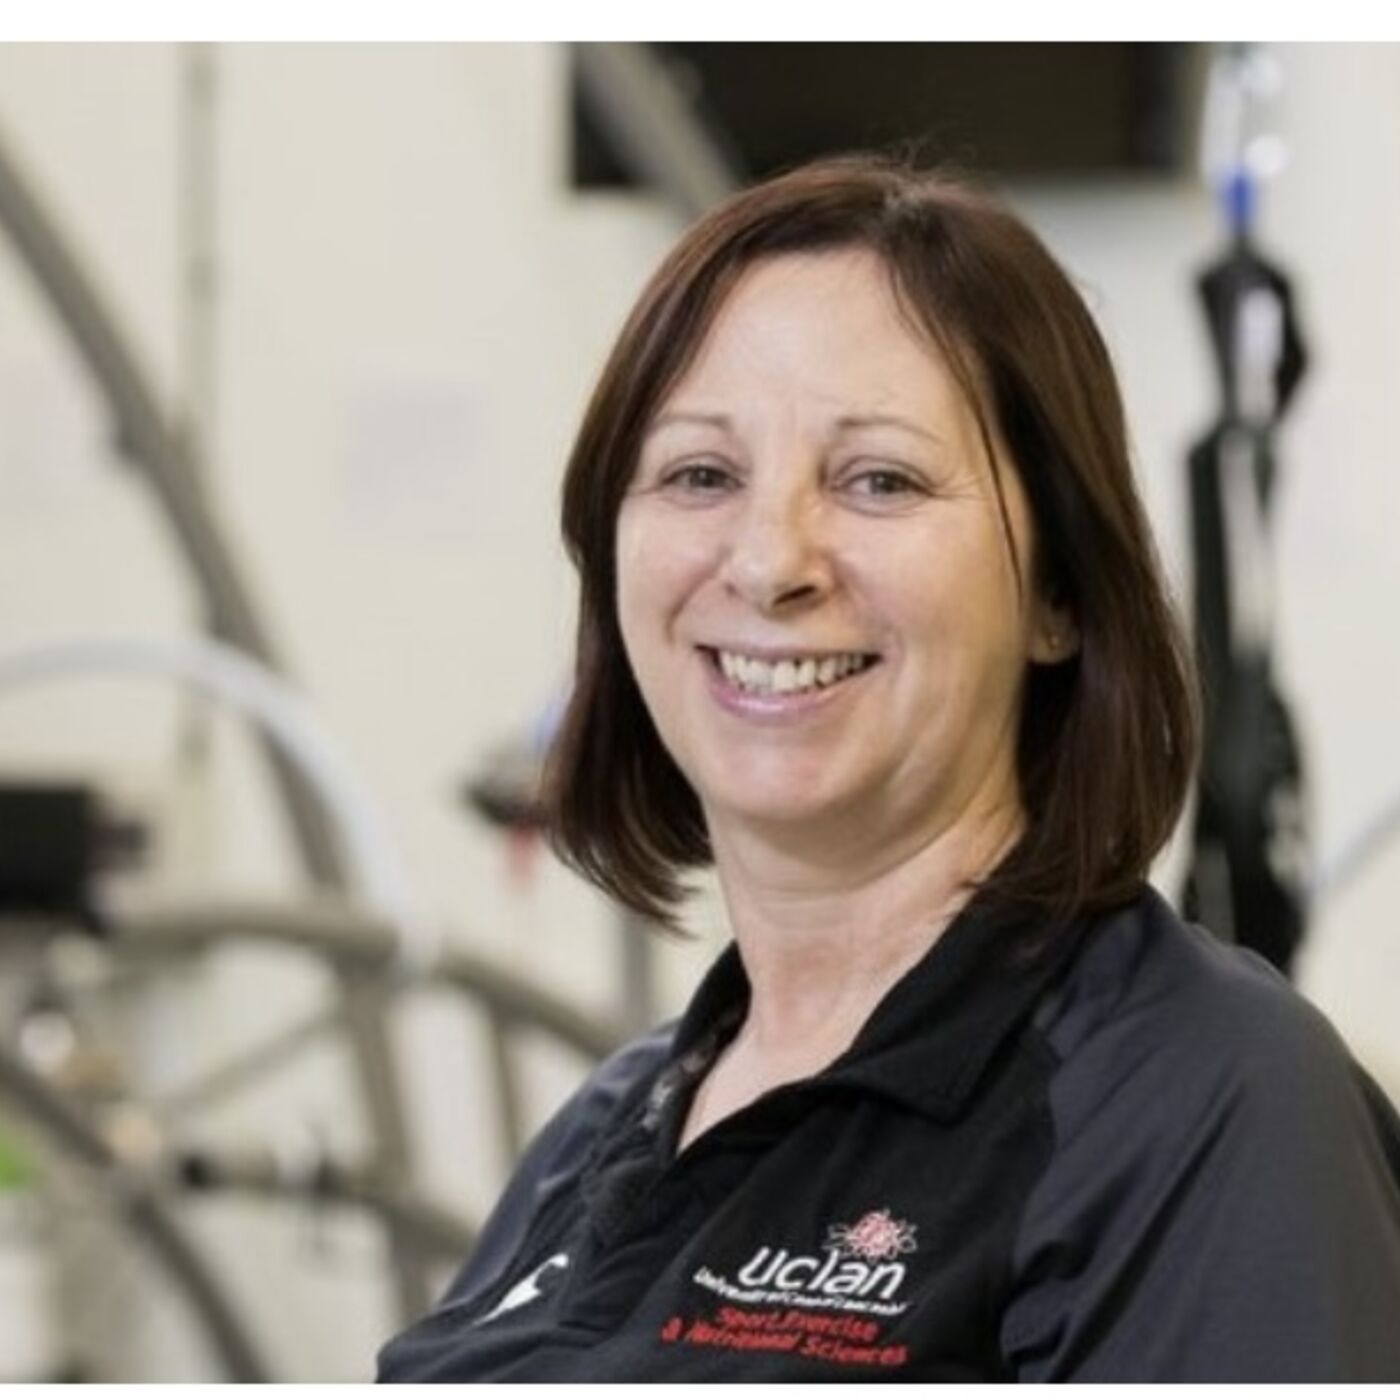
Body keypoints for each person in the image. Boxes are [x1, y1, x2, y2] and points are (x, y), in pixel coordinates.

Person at [378, 155, 1400, 1382]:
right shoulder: (603, 1129)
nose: (769, 563)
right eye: (700, 474)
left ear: (1058, 592)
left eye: (878, 480)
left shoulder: (1203, 1100)